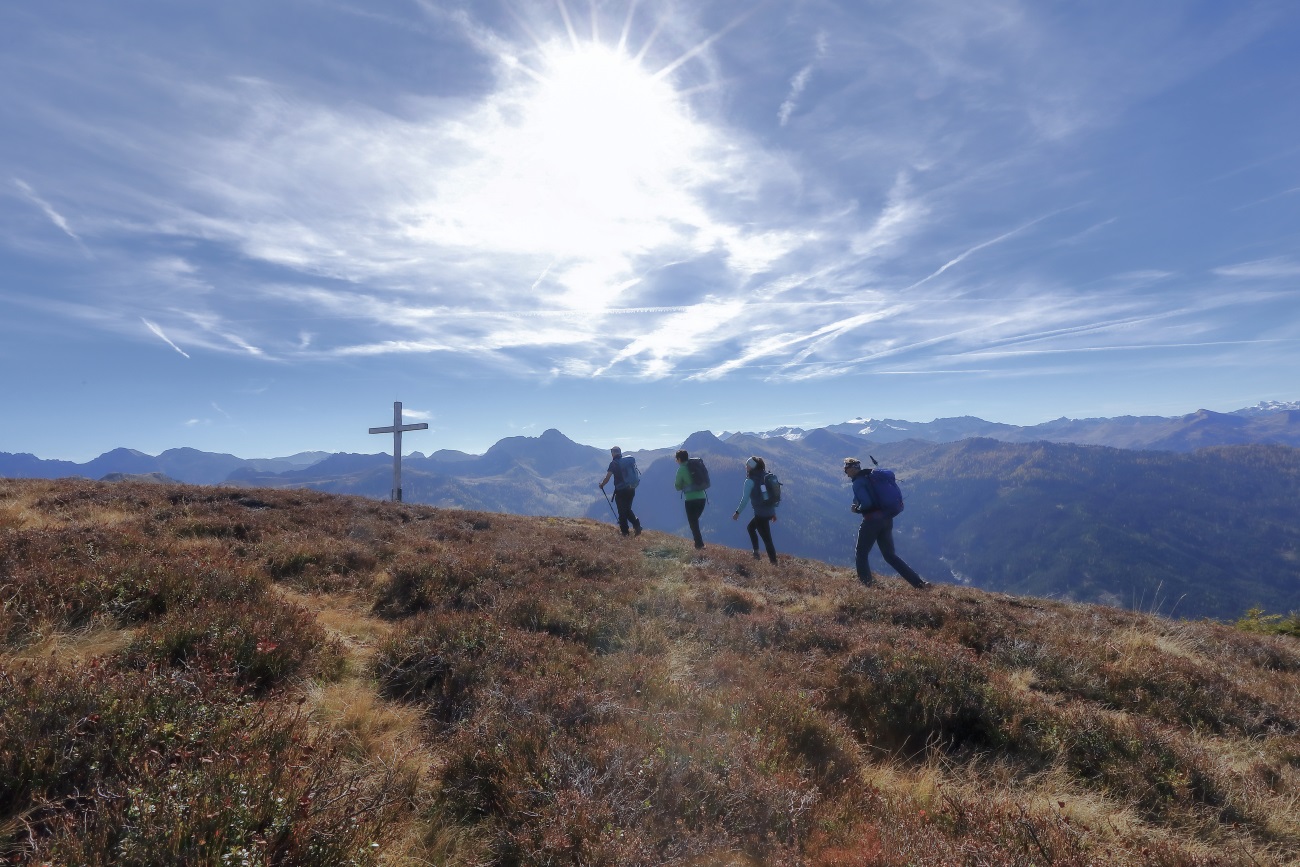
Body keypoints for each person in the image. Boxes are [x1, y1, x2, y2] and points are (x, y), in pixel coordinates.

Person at [843, 457, 930, 590]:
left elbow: (867, 503)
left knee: (861, 554)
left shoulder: (858, 483)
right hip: (886, 519)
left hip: (872, 521)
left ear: (852, 469)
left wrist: (857, 510)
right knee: (890, 555)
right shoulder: (869, 477)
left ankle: (866, 587)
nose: (845, 472)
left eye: (846, 468)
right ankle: (919, 584)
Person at [732, 456, 778, 564]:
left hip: (760, 514)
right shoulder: (765, 476)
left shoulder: (750, 481)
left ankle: (774, 564)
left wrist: (737, 512)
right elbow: (770, 495)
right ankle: (756, 553)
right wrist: (773, 513)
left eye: (747, 465)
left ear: (751, 467)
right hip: (769, 511)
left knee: (767, 539)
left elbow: (745, 499)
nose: (745, 466)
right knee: (751, 528)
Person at [599, 446, 642, 537]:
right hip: (631, 489)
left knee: (622, 512)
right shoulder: (627, 462)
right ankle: (637, 525)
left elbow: (608, 477)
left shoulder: (614, 463)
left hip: (621, 491)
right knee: (627, 509)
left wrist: (602, 485)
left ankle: (625, 533)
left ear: (613, 453)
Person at [673, 449, 707, 549]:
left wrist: (683, 484)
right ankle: (699, 545)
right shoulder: (695, 465)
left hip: (691, 500)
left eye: (676, 459)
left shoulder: (681, 469)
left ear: (679, 459)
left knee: (693, 523)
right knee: (694, 522)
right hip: (702, 498)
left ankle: (700, 546)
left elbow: (677, 486)